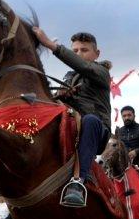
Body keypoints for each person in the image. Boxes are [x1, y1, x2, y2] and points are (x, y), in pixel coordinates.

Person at [32, 27, 112, 208]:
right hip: (71, 126)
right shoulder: (68, 77)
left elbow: (83, 66)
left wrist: (51, 45)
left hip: (96, 131)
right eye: (75, 50)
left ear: (96, 53)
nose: (79, 54)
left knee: (90, 120)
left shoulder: (101, 72)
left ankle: (79, 182)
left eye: (84, 50)